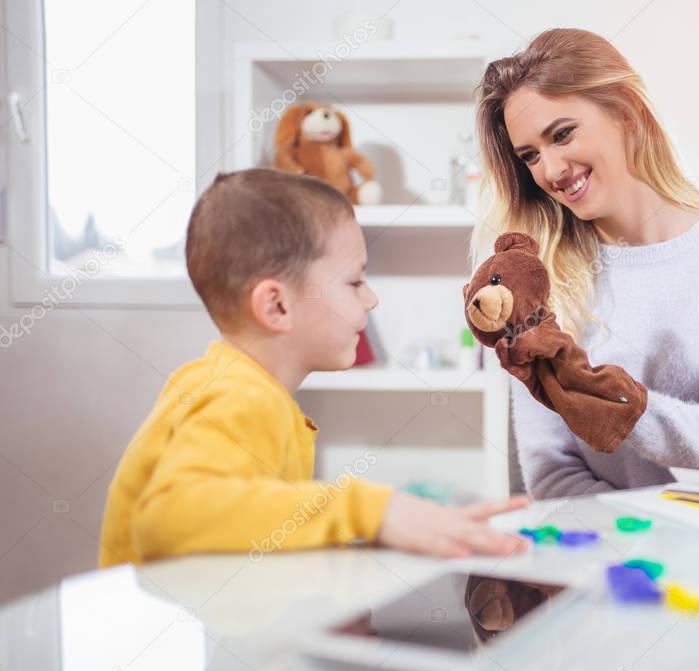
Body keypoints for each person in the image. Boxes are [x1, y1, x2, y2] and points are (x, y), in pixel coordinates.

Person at [99, 168, 527, 566]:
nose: (371, 299)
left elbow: (251, 534)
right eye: (355, 281)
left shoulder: (233, 385)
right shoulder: (239, 397)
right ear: (277, 305)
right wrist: (372, 512)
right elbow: (169, 518)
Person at [473, 28, 699, 498]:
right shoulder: (539, 282)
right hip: (615, 562)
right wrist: (644, 553)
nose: (551, 170)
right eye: (530, 156)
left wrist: (625, 411)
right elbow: (552, 475)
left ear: (624, 110)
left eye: (562, 134)